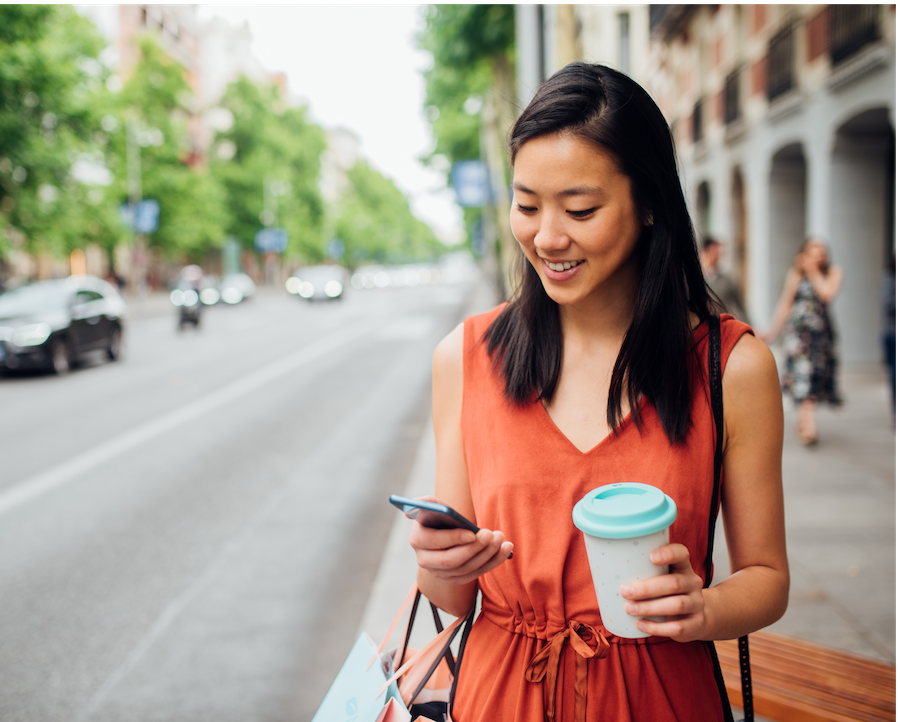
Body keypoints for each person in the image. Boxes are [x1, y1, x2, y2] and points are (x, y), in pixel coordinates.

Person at [410, 62, 789, 722]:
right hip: (498, 698)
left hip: (662, 697)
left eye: (579, 209)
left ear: (648, 203)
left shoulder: (733, 368)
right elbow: (453, 599)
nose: (547, 237)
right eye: (526, 206)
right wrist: (440, 561)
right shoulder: (463, 358)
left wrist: (703, 609)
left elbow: (768, 579)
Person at [760, 239, 843, 445]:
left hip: (821, 336)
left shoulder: (833, 272)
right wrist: (772, 331)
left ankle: (804, 421)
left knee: (813, 377)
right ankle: (809, 426)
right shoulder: (795, 273)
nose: (818, 257)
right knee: (802, 376)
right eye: (813, 253)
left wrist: (813, 271)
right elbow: (785, 303)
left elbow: (826, 294)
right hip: (798, 336)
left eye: (821, 253)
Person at [700, 238, 749, 323]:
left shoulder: (726, 281)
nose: (720, 254)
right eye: (716, 250)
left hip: (722, 328)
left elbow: (739, 307)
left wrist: (750, 325)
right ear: (707, 250)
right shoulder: (692, 280)